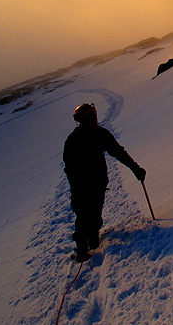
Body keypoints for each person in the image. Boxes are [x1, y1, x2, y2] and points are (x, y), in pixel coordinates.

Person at [63, 103, 146, 262]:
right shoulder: (76, 140)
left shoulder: (95, 135)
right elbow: (70, 168)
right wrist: (75, 189)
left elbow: (118, 152)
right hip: (83, 185)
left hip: (97, 183)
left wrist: (135, 168)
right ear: (81, 121)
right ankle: (82, 249)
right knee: (83, 216)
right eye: (88, 118)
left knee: (93, 213)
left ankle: (92, 240)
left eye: (93, 116)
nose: (92, 120)